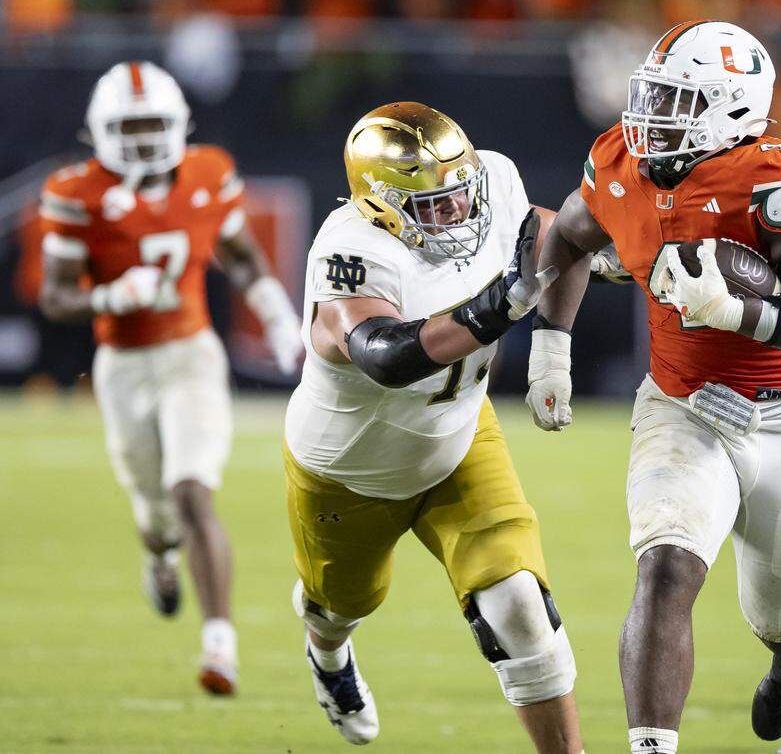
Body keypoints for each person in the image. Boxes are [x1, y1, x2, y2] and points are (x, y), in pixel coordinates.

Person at [526, 21, 781, 753]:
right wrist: (551, 349)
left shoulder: (775, 177)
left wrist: (736, 310)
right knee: (666, 567)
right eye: (652, 94)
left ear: (734, 110)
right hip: (683, 407)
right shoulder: (620, 158)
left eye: (677, 101)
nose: (652, 116)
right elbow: (568, 236)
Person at [282, 102, 582, 751]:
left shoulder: (494, 180)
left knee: (520, 609)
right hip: (350, 470)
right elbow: (386, 356)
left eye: (460, 193)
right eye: (434, 204)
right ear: (382, 203)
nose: (458, 214)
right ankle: (327, 655)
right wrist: (492, 311)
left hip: (460, 438)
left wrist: (554, 344)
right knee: (339, 609)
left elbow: (562, 237)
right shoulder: (348, 249)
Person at [38, 61, 302, 695]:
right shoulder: (76, 192)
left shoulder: (209, 172)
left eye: (155, 124)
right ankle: (158, 555)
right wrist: (107, 298)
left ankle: (219, 645)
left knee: (192, 493)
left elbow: (240, 254)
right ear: (100, 130)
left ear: (180, 123)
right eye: (130, 126)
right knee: (157, 514)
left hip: (191, 354)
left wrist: (275, 314)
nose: (144, 139)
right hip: (123, 367)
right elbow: (53, 296)